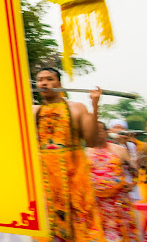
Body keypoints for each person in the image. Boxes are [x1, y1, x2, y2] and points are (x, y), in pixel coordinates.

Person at [33, 67, 105, 242]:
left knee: (80, 223)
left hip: (73, 176)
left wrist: (95, 106)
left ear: (59, 83)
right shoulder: (34, 111)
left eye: (49, 79)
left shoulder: (77, 108)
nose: (44, 83)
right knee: (48, 225)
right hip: (45, 178)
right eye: (40, 79)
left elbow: (92, 142)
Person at [86, 122, 139, 242]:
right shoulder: (86, 152)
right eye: (94, 131)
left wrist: (132, 184)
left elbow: (134, 170)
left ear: (106, 133)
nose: (97, 133)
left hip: (117, 202)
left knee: (121, 233)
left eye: (99, 130)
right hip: (96, 202)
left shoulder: (119, 150)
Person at [107, 119, 140, 202]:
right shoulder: (106, 145)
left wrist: (124, 144)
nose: (118, 130)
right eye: (116, 127)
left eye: (121, 128)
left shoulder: (131, 145)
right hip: (110, 185)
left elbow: (133, 165)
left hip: (128, 184)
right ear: (110, 130)